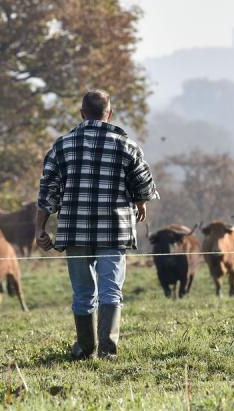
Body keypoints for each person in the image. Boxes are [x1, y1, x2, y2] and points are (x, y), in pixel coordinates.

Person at [35, 90, 159, 359]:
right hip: (114, 231)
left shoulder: (62, 145)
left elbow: (48, 191)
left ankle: (85, 348)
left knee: (82, 292)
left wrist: (40, 229)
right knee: (110, 290)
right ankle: (108, 350)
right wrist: (140, 203)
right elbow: (144, 187)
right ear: (109, 114)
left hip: (74, 230)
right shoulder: (128, 146)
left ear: (82, 114)